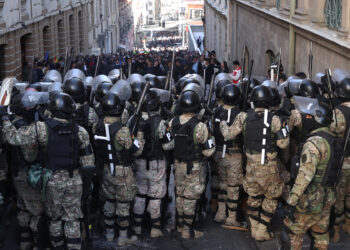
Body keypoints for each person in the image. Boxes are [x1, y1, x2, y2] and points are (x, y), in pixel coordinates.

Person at [2, 92, 95, 250]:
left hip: (50, 181)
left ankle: (57, 246)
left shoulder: (41, 128)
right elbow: (88, 163)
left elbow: (14, 138)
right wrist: (86, 187)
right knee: (72, 220)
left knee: (55, 219)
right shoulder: (80, 131)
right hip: (74, 181)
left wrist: (4, 119)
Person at [220, 85, 289, 241]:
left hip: (251, 165)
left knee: (253, 197)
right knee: (271, 198)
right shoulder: (275, 119)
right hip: (270, 166)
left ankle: (255, 228)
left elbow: (228, 134)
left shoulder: (243, 117)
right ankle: (262, 230)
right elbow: (283, 144)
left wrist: (223, 122)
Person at [282, 102, 339, 250]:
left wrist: (291, 200)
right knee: (320, 234)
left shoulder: (314, 143)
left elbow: (305, 176)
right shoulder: (335, 140)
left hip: (310, 198)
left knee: (293, 233)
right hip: (328, 196)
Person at [93, 92, 143, 246]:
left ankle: (109, 233)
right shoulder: (122, 130)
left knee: (108, 201)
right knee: (123, 203)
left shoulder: (98, 125)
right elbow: (136, 150)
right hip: (122, 171)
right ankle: (122, 237)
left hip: (107, 169)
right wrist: (139, 136)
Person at [168, 89, 215, 239]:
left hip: (178, 165)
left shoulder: (172, 122)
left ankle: (180, 224)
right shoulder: (200, 126)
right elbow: (209, 151)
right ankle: (188, 231)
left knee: (180, 195)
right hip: (194, 167)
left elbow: (168, 145)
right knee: (190, 198)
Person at [133, 89, 171, 238]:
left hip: (139, 163)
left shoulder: (134, 120)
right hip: (156, 164)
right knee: (155, 195)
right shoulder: (160, 122)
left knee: (140, 194)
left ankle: (136, 226)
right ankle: (155, 228)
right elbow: (168, 145)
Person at [212, 84, 245, 228]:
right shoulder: (241, 114)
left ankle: (220, 212)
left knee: (222, 183)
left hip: (219, 153)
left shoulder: (216, 112)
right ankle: (231, 217)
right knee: (233, 186)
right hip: (234, 154)